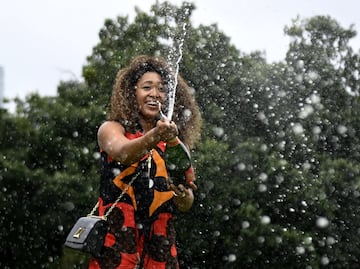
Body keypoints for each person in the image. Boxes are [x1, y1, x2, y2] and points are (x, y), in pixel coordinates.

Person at [88, 55, 202, 269]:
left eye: (161, 89)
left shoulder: (173, 143)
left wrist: (182, 194)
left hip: (159, 244)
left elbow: (186, 201)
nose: (154, 94)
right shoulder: (112, 128)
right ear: (132, 93)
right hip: (118, 237)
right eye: (146, 87)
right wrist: (155, 136)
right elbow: (123, 153)